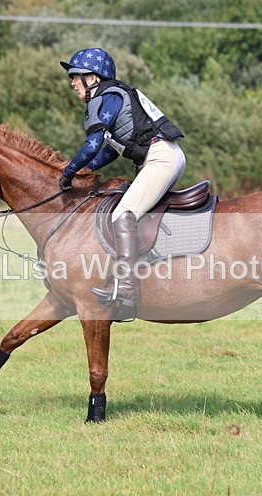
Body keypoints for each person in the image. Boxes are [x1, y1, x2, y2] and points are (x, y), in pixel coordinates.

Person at [59, 47, 186, 315]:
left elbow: (93, 144)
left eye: (76, 76)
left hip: (160, 158)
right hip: (165, 155)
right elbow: (110, 151)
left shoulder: (106, 97)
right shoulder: (114, 96)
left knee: (122, 214)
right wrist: (85, 170)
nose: (72, 83)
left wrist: (69, 172)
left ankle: (127, 287)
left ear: (93, 78)